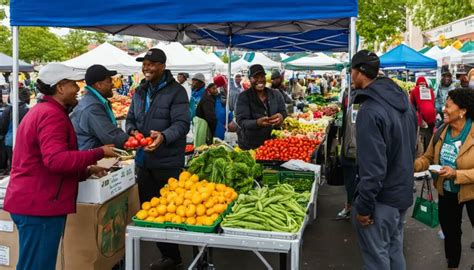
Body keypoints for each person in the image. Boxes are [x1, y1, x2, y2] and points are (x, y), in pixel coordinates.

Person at [3, 63, 117, 270]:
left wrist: (84, 171)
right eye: (73, 84)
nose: (77, 89)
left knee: (35, 263)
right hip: (39, 205)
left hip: (35, 201)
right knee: (37, 265)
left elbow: (46, 160)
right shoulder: (51, 115)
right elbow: (55, 160)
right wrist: (98, 153)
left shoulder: (44, 110)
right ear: (60, 87)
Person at [350, 50, 417, 270]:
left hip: (382, 198)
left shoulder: (370, 110)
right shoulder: (403, 102)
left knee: (377, 257)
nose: (350, 76)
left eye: (351, 71)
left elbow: (373, 168)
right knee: (394, 249)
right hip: (402, 192)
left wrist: (364, 206)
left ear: (360, 72)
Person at [127, 48, 190, 270]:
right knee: (150, 208)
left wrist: (163, 137)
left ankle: (176, 254)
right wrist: (133, 131)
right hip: (143, 161)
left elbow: (182, 124)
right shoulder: (139, 91)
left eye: (151, 63)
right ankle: (168, 255)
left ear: (162, 66)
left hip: (168, 163)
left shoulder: (177, 91)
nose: (146, 67)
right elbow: (130, 119)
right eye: (144, 63)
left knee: (172, 210)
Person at [414, 88, 474, 270]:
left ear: (462, 111)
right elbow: (428, 158)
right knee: (451, 232)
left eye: (448, 106)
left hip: (471, 193)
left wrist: (456, 174)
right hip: (447, 192)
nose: (443, 109)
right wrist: (410, 165)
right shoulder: (441, 131)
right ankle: (452, 265)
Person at [71, 65, 129, 150]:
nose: (113, 84)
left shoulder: (94, 101)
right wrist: (133, 141)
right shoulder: (92, 107)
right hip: (90, 157)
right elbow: (110, 136)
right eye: (109, 81)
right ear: (99, 85)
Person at [235, 64, 287, 150]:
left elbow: (283, 112)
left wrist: (281, 117)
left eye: (262, 76)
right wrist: (257, 123)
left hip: (273, 143)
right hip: (250, 144)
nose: (260, 80)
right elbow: (241, 121)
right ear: (250, 79)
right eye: (256, 77)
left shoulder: (276, 94)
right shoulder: (243, 97)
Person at [336, 87, 359, 220]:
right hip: (348, 143)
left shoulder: (361, 97)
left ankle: (353, 206)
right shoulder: (348, 92)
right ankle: (351, 204)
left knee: (355, 177)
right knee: (350, 177)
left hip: (354, 146)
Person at [4, 86, 30, 173]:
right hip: (24, 142)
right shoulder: (29, 110)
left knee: (13, 166)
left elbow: (3, 125)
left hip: (10, 140)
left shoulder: (9, 109)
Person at [410, 76, 437, 153]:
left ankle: (423, 154)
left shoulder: (414, 90)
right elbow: (433, 103)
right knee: (430, 135)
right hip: (432, 115)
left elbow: (411, 105)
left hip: (423, 115)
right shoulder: (430, 91)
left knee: (421, 137)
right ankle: (430, 152)